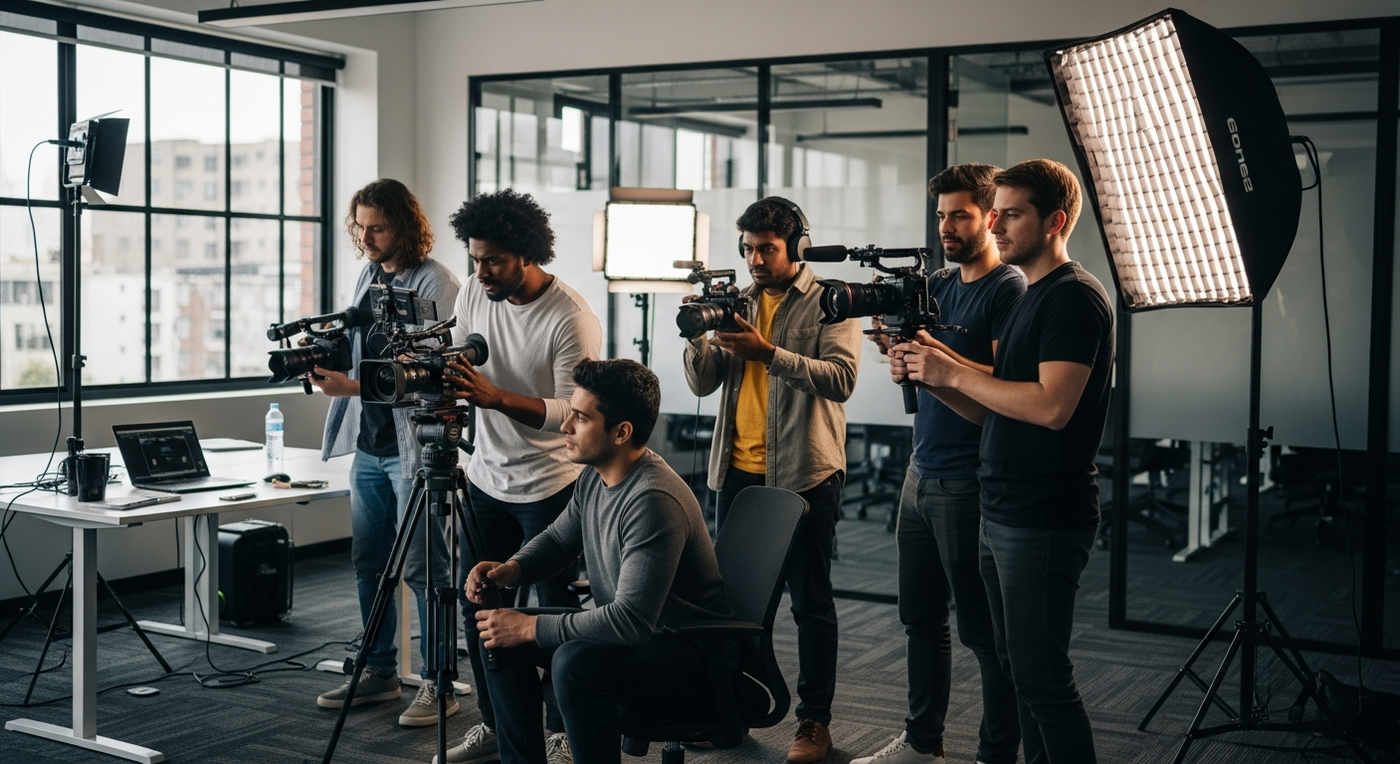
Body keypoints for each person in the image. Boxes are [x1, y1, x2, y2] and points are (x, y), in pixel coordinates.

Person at [895, 158, 1112, 764]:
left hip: (1043, 515)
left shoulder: (1072, 298)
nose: (996, 223)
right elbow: (991, 409)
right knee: (1019, 667)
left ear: (1055, 221)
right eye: (995, 212)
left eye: (1010, 213)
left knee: (1043, 677)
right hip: (1001, 504)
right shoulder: (1032, 296)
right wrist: (934, 375)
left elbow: (1050, 408)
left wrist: (950, 368)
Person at [459, 359, 733, 764]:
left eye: (581, 418)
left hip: (691, 650)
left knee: (572, 662)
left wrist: (531, 626)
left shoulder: (652, 500)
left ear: (621, 432)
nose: (565, 426)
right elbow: (557, 540)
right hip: (643, 636)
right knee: (496, 634)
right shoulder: (595, 475)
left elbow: (629, 621)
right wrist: (510, 569)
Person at [854, 165, 1025, 764]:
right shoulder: (941, 286)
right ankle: (923, 744)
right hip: (920, 472)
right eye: (940, 216)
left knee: (984, 633)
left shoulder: (1009, 288)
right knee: (919, 619)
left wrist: (934, 354)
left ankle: (997, 752)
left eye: (959, 215)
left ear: (989, 217)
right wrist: (897, 349)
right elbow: (930, 371)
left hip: (971, 480)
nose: (946, 227)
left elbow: (1005, 385)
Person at [683, 197, 860, 763]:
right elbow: (703, 384)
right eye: (749, 249)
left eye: (767, 249)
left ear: (796, 247)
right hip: (737, 472)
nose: (755, 259)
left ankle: (814, 723)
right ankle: (729, 712)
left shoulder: (831, 301)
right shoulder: (737, 300)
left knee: (810, 604)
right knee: (735, 605)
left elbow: (841, 379)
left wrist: (770, 353)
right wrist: (697, 334)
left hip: (805, 475)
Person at [439, 189, 603, 764]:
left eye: (493, 261)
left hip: (550, 485)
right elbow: (456, 366)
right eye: (474, 258)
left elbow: (571, 412)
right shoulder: (471, 293)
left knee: (551, 616)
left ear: (527, 255)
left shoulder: (571, 318)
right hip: (483, 476)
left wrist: (495, 397)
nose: (480, 272)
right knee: (478, 606)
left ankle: (560, 733)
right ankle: (497, 724)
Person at [311, 178, 462, 726]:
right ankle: (379, 671)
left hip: (414, 448)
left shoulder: (438, 283)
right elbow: (360, 350)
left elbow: (441, 373)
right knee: (369, 564)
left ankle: (439, 682)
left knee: (425, 568)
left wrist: (352, 385)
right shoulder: (367, 276)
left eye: (376, 227)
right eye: (361, 226)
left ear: (403, 225)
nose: (366, 236)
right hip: (369, 448)